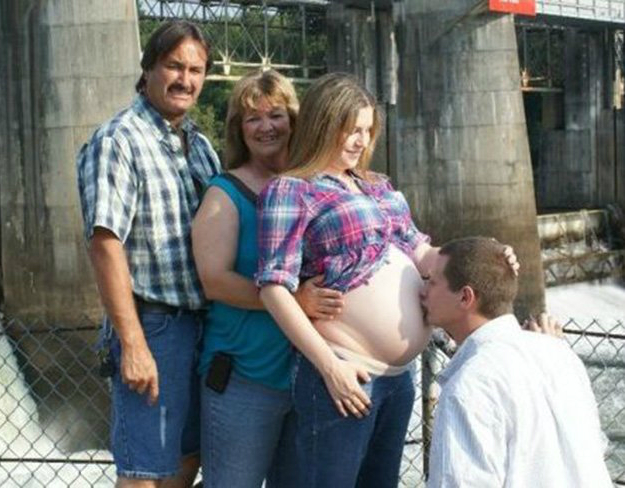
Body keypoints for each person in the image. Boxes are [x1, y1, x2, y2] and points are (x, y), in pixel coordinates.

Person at [255, 72, 518, 487]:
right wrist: (330, 368)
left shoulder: (378, 186)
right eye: (350, 130)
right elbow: (273, 287)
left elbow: (424, 254)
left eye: (366, 130)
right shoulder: (291, 190)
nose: (360, 141)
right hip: (344, 372)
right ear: (323, 124)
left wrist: (489, 254)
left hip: (398, 380)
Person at [76, 20, 220, 488]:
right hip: (154, 327)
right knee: (144, 473)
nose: (185, 79)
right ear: (149, 69)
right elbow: (105, 244)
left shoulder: (199, 146)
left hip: (203, 325)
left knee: (186, 459)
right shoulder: (118, 140)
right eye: (174, 66)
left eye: (196, 70)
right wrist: (134, 344)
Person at [192, 70, 344, 488]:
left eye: (275, 115)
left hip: (308, 375)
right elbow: (214, 281)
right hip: (245, 376)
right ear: (239, 130)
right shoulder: (224, 193)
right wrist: (295, 301)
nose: (266, 127)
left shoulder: (315, 183)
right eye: (252, 118)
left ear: (294, 119)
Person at [420, 237, 611, 487]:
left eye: (432, 282)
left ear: (465, 297)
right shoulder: (560, 353)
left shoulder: (470, 385)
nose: (423, 291)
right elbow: (595, 446)